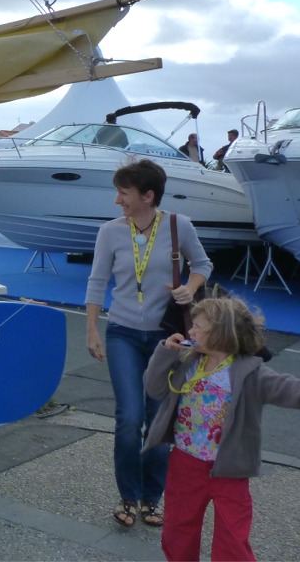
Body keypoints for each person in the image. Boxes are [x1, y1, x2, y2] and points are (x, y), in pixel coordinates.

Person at [85, 159, 212, 529]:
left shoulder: (178, 226)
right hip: (122, 332)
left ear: (148, 196)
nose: (117, 200)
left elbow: (203, 264)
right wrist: (92, 329)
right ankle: (128, 495)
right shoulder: (110, 232)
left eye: (123, 193)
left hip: (166, 338)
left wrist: (190, 287)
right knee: (129, 419)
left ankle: (151, 499)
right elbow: (97, 282)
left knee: (159, 420)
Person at [144, 295, 300, 561]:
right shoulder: (187, 360)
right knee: (177, 531)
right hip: (186, 462)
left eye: (197, 327)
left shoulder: (249, 372)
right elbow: (154, 388)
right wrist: (165, 352)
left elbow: (289, 389)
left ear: (219, 332)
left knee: (233, 538)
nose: (190, 331)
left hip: (229, 468)